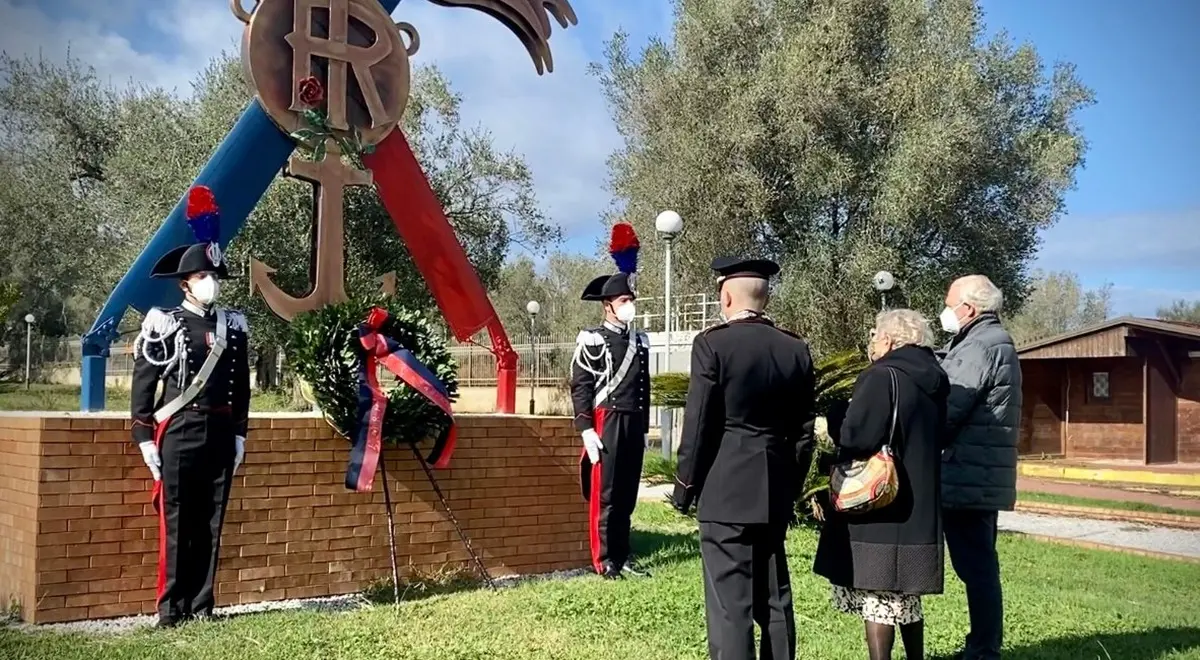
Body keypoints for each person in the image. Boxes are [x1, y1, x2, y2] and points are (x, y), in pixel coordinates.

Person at [672, 256, 816, 660]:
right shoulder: (795, 348)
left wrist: (684, 487)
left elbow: (699, 424)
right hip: (774, 488)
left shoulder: (713, 344)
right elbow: (805, 431)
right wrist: (790, 483)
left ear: (727, 296)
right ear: (765, 298)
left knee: (729, 606)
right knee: (774, 597)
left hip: (725, 488)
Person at [131, 185, 251, 627]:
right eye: (202, 276)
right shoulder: (164, 322)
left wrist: (240, 432)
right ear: (186, 283)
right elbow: (145, 384)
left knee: (212, 520)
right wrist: (144, 436)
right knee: (179, 520)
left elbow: (242, 386)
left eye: (213, 274)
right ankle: (171, 609)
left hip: (220, 431)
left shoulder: (233, 325)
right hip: (179, 429)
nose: (210, 282)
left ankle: (202, 606)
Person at [813, 309, 950, 660]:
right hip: (918, 506)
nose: (871, 342)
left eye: (874, 335)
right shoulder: (934, 377)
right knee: (905, 597)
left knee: (879, 597)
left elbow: (858, 437)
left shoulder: (881, 376)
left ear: (888, 339)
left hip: (882, 506)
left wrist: (837, 415)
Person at [937, 275, 1022, 660]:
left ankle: (984, 650)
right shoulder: (984, 340)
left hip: (968, 472)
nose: (945, 310)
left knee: (977, 567)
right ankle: (983, 645)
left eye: (949, 302)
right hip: (978, 471)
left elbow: (951, 406)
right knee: (979, 564)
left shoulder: (981, 345)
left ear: (968, 309)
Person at [571, 222, 651, 579]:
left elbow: (642, 388)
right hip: (608, 420)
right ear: (607, 306)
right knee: (606, 495)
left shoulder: (641, 341)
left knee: (627, 493)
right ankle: (604, 559)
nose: (629, 306)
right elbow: (582, 387)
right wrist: (586, 428)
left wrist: (644, 425)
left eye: (631, 300)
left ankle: (623, 551)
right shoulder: (592, 339)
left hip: (633, 422)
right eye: (623, 301)